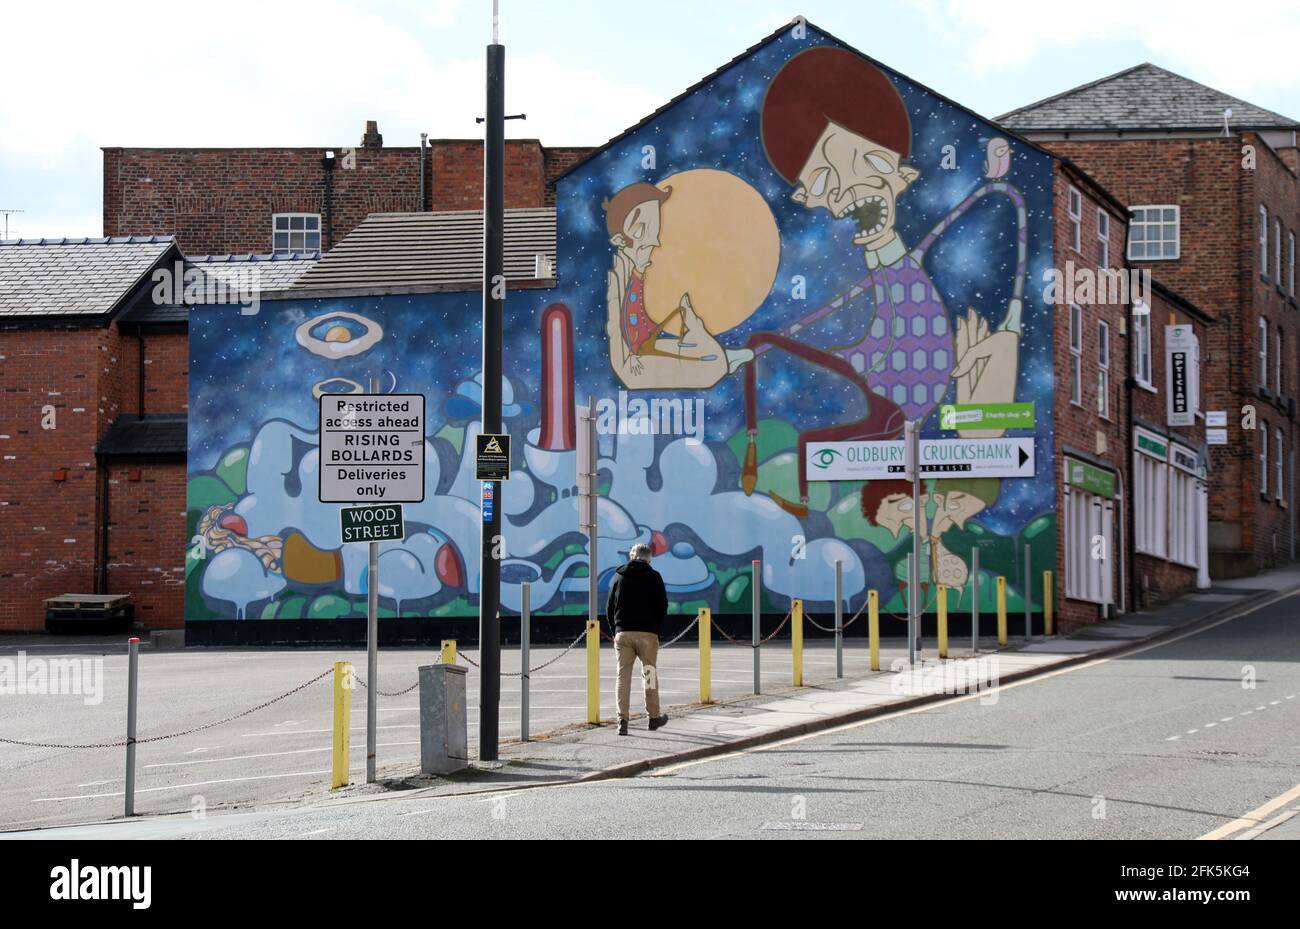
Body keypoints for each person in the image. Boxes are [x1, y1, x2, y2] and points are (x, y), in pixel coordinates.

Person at [605, 542, 669, 735]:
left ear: (632, 556)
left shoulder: (618, 576)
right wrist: (655, 627)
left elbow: (609, 607)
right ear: (649, 558)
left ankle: (622, 721)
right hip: (647, 634)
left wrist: (615, 629)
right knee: (648, 673)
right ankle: (653, 717)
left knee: (622, 678)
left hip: (623, 633)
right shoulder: (654, 577)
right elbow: (662, 606)